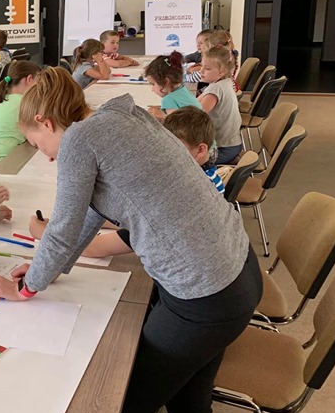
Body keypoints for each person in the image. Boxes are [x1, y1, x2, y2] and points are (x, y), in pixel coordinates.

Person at [0, 68, 261, 413]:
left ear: (46, 122)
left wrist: (27, 287)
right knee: (189, 406)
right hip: (237, 273)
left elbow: (64, 225)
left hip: (203, 295)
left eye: (37, 143)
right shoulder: (120, 117)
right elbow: (91, 211)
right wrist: (47, 268)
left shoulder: (78, 140)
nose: (45, 156)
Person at [82, 106, 226, 259]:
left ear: (201, 150)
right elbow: (135, 219)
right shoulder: (206, 177)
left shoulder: (185, 196)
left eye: (175, 150)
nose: (165, 157)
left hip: (179, 254)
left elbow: (93, 249)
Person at [0, 60, 41, 166]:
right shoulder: (25, 104)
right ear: (29, 79)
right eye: (38, 83)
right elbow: (38, 139)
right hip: (11, 165)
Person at [197, 46, 243, 165]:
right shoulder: (225, 82)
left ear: (222, 71)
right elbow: (195, 103)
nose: (201, 71)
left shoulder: (216, 89)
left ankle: (228, 163)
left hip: (223, 148)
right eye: (201, 66)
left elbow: (196, 116)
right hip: (233, 144)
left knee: (187, 160)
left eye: (207, 68)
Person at [144, 52, 200, 121]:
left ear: (165, 81)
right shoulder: (183, 89)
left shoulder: (168, 99)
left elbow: (174, 124)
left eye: (153, 84)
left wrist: (161, 115)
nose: (152, 89)